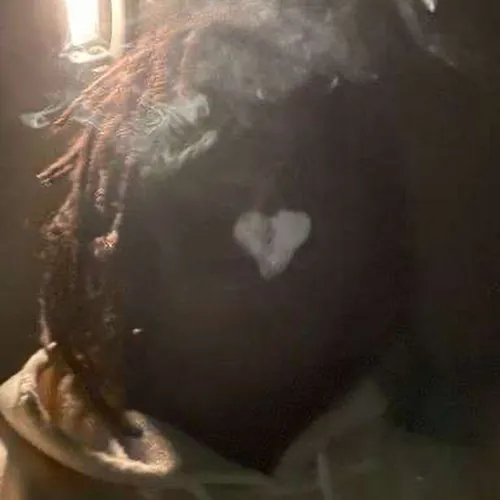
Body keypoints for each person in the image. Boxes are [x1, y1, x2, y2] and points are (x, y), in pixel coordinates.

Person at [1, 0, 497, 498]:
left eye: (305, 186)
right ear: (128, 230)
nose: (253, 233)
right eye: (209, 200)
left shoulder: (438, 473)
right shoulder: (28, 467)